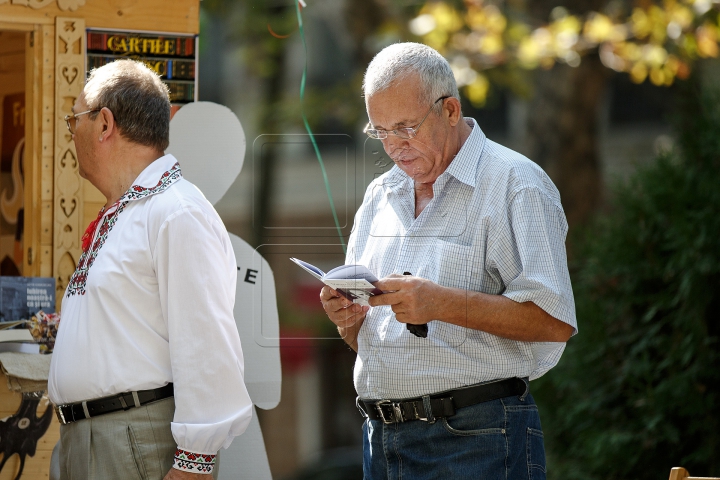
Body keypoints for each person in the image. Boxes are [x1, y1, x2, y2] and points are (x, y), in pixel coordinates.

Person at [320, 42, 577, 480]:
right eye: (380, 131)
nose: (393, 146)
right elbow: (367, 341)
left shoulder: (516, 184)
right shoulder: (380, 195)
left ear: (451, 110)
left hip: (476, 439)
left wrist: (440, 303)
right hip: (379, 441)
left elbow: (554, 322)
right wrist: (348, 319)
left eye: (405, 127)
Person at [48, 59, 253, 480]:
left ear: (104, 124)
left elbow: (206, 343)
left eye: (74, 120)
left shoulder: (175, 212)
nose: (71, 133)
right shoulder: (133, 211)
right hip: (93, 440)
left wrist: (194, 464)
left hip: (132, 440)